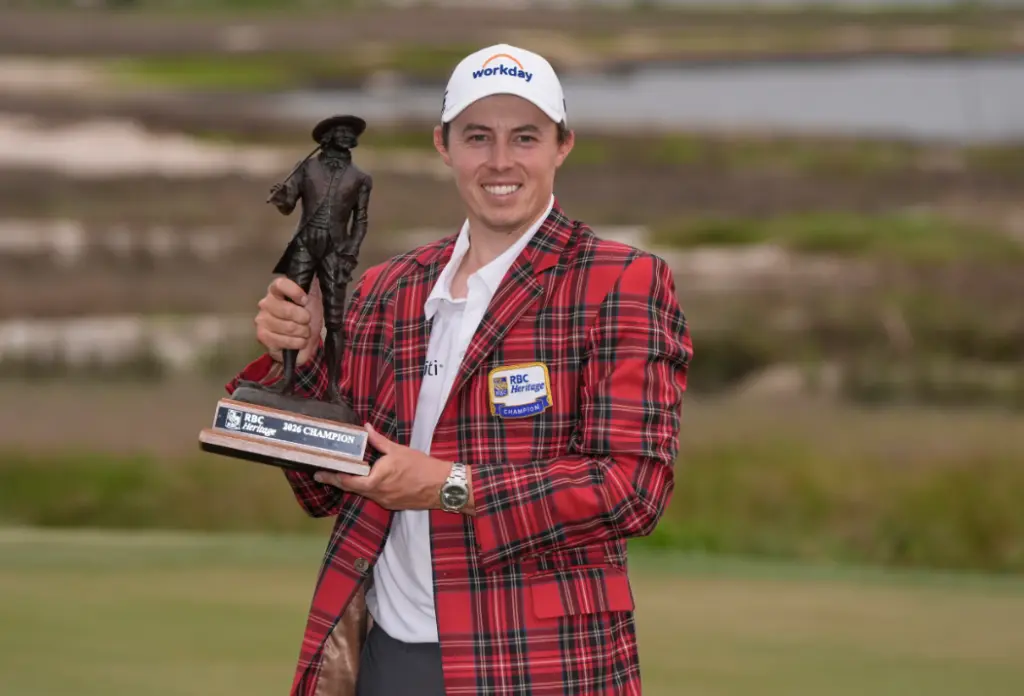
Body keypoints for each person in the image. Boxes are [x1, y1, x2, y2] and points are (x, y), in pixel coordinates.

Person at [228, 43, 693, 696]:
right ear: (443, 146)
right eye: (478, 137)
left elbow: (631, 488)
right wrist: (302, 360)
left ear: (562, 146)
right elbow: (323, 492)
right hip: (387, 656)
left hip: (538, 664)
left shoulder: (622, 280)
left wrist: (448, 485)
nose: (500, 161)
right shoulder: (390, 288)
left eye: (525, 137)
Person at [266, 114, 372, 403]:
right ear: (328, 137)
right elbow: (288, 204)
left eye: (350, 132)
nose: (347, 135)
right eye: (341, 131)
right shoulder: (306, 167)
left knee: (335, 320)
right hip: (305, 243)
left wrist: (350, 253)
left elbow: (360, 222)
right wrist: (280, 197)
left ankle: (333, 388)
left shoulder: (361, 178)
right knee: (293, 310)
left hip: (336, 251)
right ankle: (287, 378)